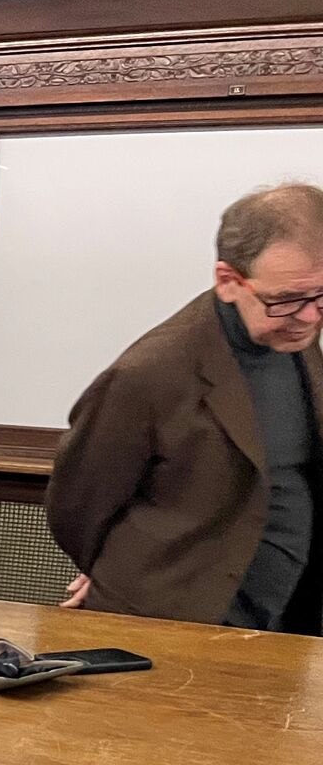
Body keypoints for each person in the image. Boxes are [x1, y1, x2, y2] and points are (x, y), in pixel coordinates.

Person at [48, 183, 323, 632]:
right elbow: (77, 505)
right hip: (171, 619)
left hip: (285, 617)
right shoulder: (150, 372)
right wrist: (113, 570)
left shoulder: (295, 335)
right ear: (228, 281)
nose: (310, 317)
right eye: (287, 299)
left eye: (320, 296)